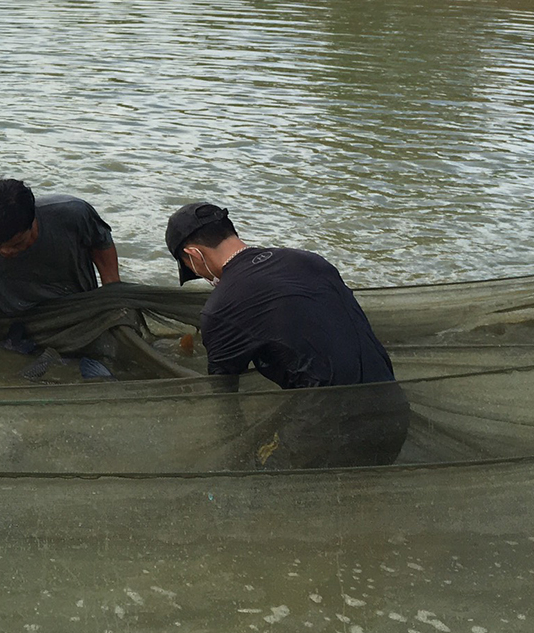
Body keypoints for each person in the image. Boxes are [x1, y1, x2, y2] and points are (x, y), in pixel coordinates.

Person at [165, 201, 411, 468]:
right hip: (394, 416)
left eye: (192, 269)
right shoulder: (311, 261)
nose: (200, 275)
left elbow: (226, 406)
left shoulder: (220, 308)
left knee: (257, 483)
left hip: (327, 433)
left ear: (193, 255)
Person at [0, 178, 124, 377]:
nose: (5, 251)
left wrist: (113, 289)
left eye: (16, 244)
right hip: (21, 328)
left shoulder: (73, 214)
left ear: (33, 221)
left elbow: (100, 240)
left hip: (78, 307)